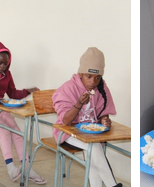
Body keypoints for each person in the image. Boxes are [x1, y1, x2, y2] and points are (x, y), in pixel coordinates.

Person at [0, 40, 46, 185]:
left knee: (17, 131)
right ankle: (11, 167)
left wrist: (27, 91)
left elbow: (12, 93)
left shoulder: (7, 74)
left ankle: (26, 167)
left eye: (5, 63)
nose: (2, 67)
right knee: (3, 130)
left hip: (1, 108)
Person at [52, 47, 121, 187]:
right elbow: (65, 120)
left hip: (90, 135)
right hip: (66, 133)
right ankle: (112, 185)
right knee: (93, 146)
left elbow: (103, 111)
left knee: (92, 148)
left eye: (97, 78)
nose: (92, 82)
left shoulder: (101, 88)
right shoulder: (67, 88)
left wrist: (104, 120)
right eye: (88, 76)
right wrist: (78, 104)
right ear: (80, 74)